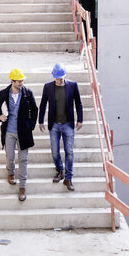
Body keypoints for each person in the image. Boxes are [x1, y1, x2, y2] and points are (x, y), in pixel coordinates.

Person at [0, 68, 38, 201]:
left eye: (22, 81)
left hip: (24, 131)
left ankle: (22, 186)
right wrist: (0, 116)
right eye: (19, 81)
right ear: (12, 81)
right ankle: (10, 173)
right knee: (10, 156)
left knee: (23, 159)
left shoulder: (28, 93)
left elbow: (34, 110)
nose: (21, 83)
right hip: (9, 131)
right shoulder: (4, 93)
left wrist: (30, 125)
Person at [38, 63, 83, 191]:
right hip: (54, 125)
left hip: (68, 124)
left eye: (61, 79)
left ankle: (68, 178)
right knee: (55, 151)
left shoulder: (73, 86)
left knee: (69, 152)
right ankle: (60, 170)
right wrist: (41, 121)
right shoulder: (48, 87)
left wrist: (80, 119)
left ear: (65, 76)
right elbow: (43, 104)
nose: (59, 81)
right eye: (57, 79)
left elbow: (78, 103)